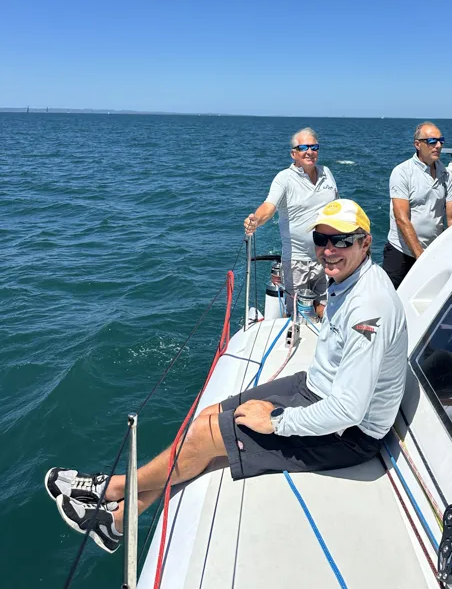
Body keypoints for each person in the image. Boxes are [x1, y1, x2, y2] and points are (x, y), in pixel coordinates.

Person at [46, 199, 408, 554]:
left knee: (206, 436)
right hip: (315, 388)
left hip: (348, 435)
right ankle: (120, 520)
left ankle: (111, 490)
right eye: (321, 239)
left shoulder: (368, 306)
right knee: (206, 418)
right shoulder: (346, 277)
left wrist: (277, 421)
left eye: (342, 240)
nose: (329, 250)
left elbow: (349, 410)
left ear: (365, 242)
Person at [243, 127, 338, 311]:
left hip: (328, 256)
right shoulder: (284, 179)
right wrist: (256, 220)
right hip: (297, 262)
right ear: (293, 153)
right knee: (296, 314)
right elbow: (269, 207)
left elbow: (338, 208)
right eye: (303, 147)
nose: (310, 152)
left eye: (314, 147)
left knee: (328, 309)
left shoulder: (327, 173)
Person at [383, 122, 452, 289]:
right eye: (432, 141)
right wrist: (420, 255)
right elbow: (401, 218)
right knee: (392, 302)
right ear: (417, 144)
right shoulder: (402, 172)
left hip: (432, 252)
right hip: (401, 253)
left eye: (441, 141)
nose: (438, 145)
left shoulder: (447, 176)